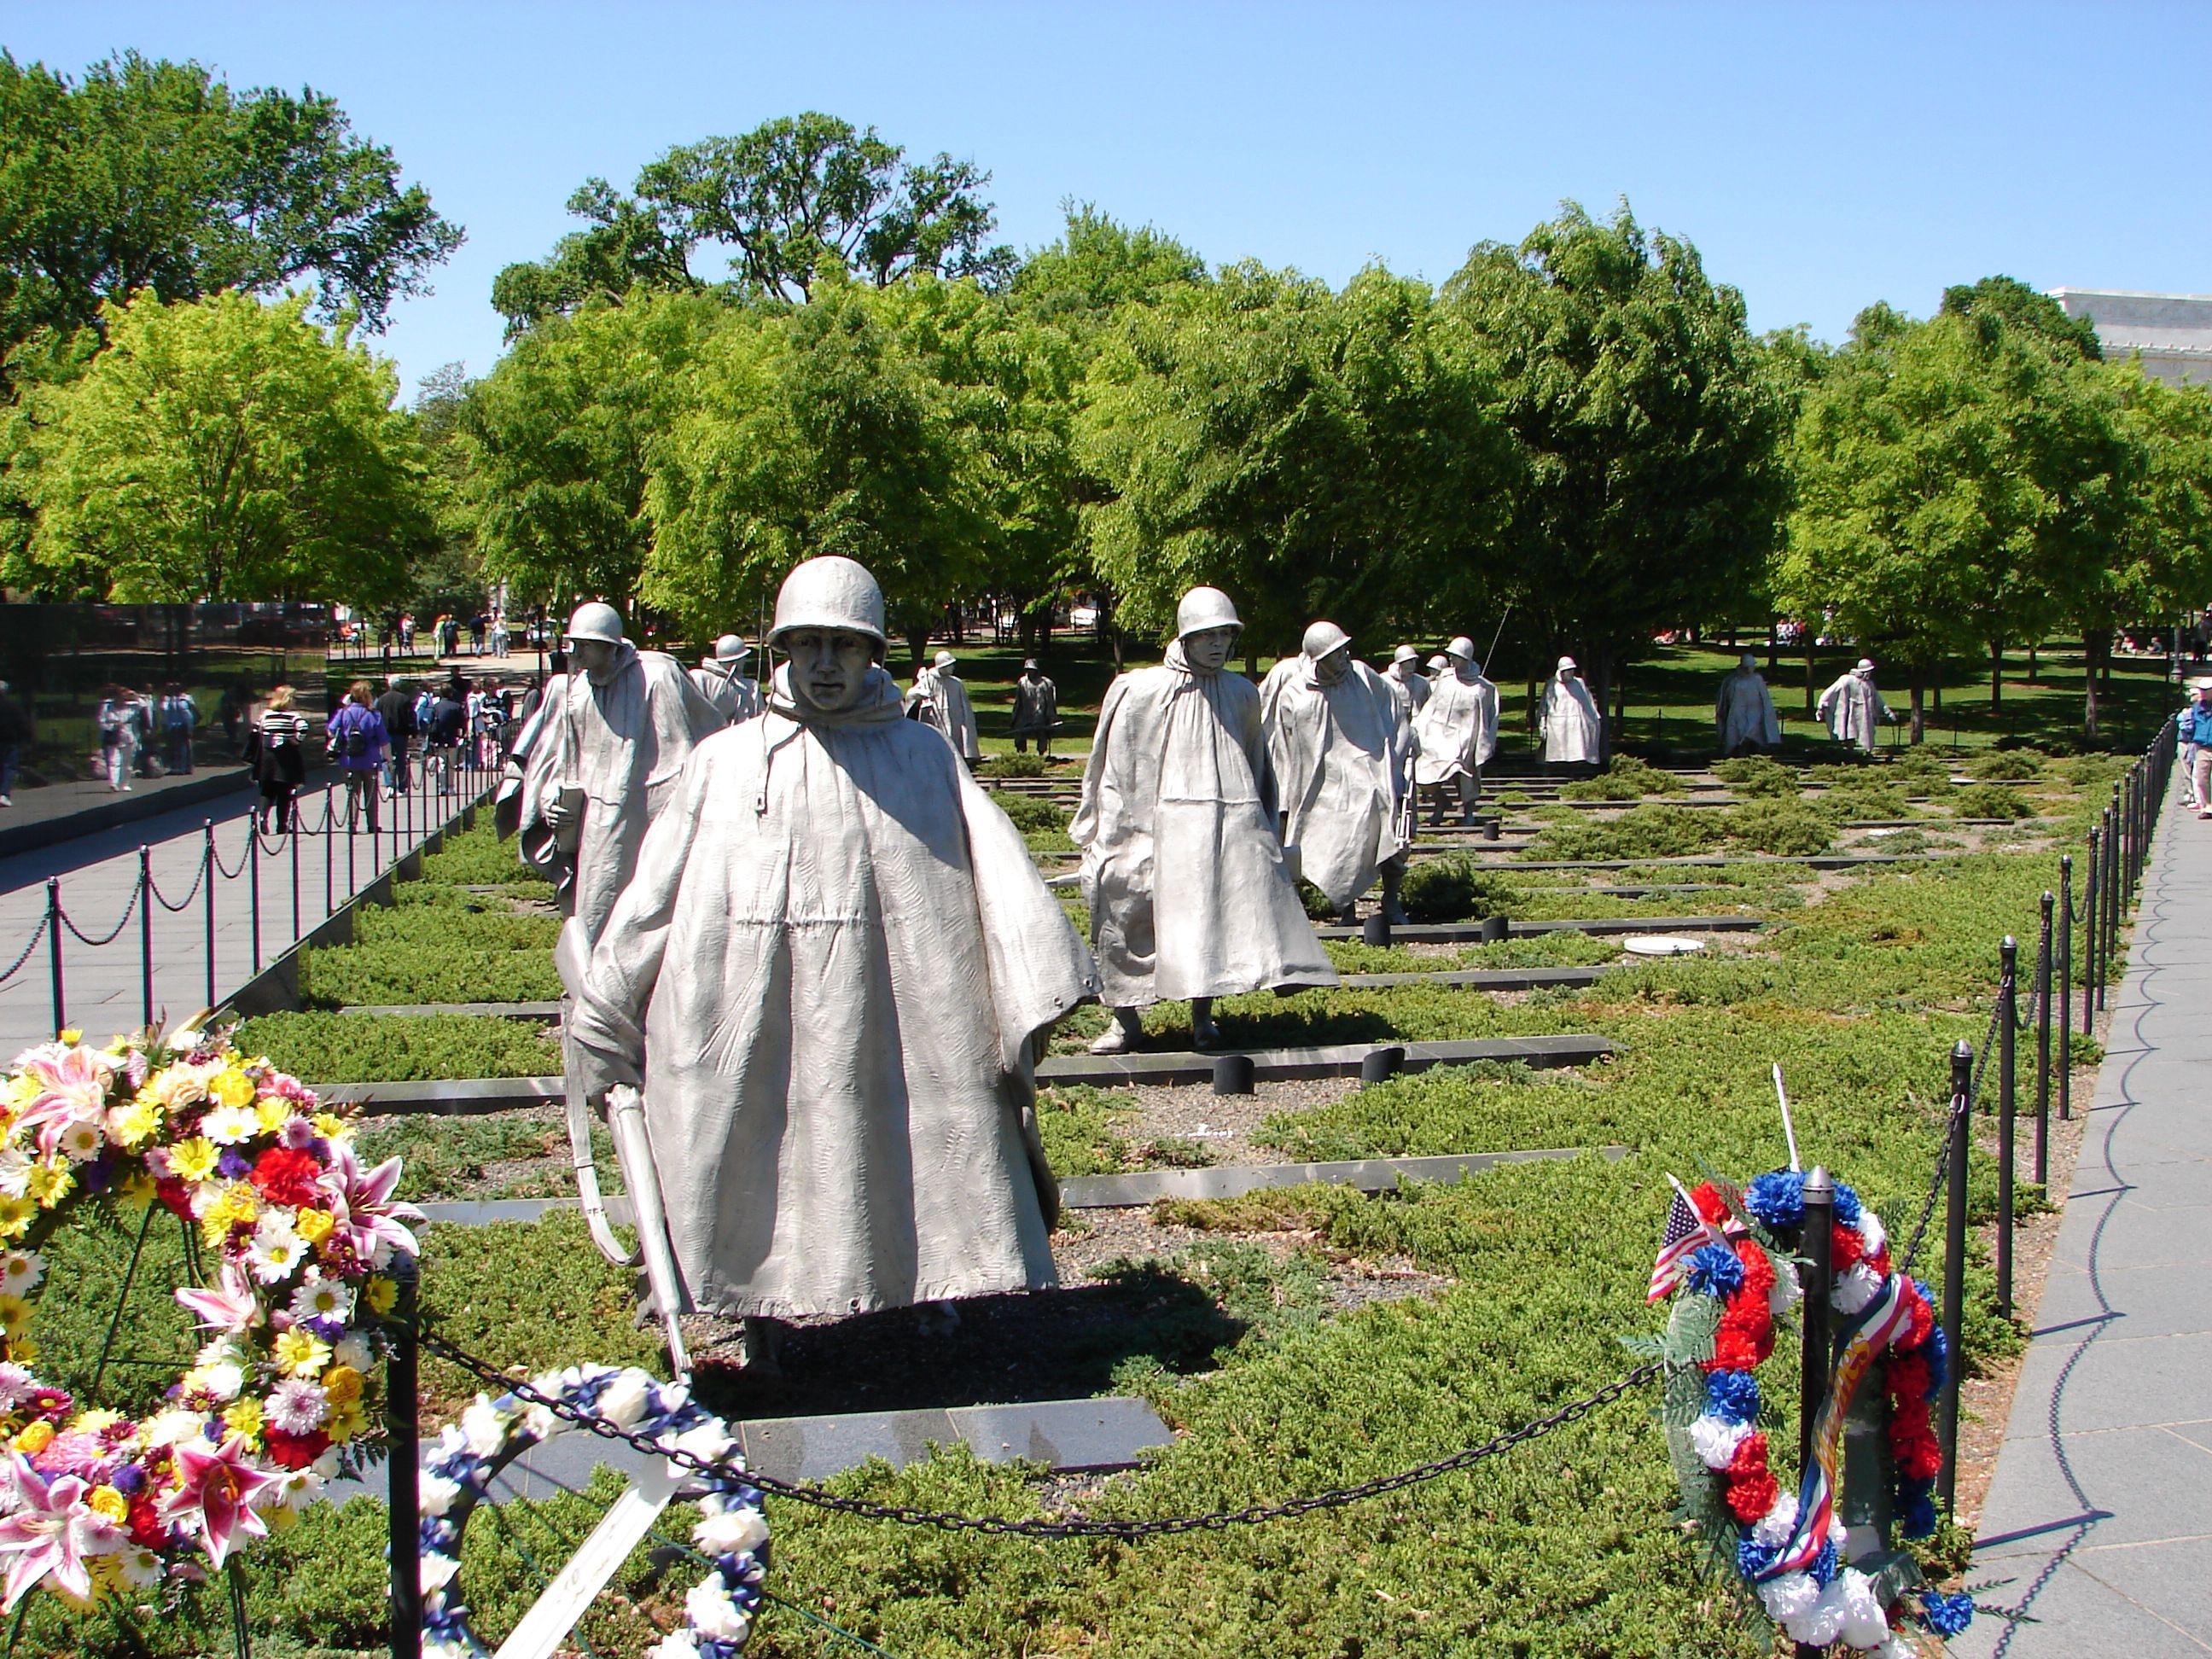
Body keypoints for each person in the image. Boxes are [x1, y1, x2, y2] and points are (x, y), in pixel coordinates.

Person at [568, 556, 1095, 1361]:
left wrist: (1030, 979)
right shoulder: (727, 761)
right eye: (806, 643)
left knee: (914, 1142)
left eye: (843, 647)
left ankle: (934, 1282)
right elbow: (656, 890)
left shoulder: (922, 757)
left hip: (906, 1005)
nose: (822, 665)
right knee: (755, 1150)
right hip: (756, 1002)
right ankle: (758, 1314)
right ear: (780, 648)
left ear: (873, 653)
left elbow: (1001, 881)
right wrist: (608, 999)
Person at [1074, 585, 1336, 1054]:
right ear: (1185, 637)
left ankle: (1203, 1018)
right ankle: (1124, 1020)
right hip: (1146, 824)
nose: (1217, 645)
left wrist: (1264, 829)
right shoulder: (1141, 689)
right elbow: (1116, 765)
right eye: (1206, 635)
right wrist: (1109, 829)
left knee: (1209, 917)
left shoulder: (1240, 694)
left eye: (1225, 635)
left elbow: (1259, 763)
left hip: (1218, 828)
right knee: (1127, 908)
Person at [516, 601, 721, 946]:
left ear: (609, 648)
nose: (575, 652)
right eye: (574, 644)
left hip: (650, 815)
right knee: (595, 907)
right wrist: (552, 797)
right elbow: (563, 757)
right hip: (596, 821)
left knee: (656, 910)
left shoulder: (657, 677)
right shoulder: (577, 691)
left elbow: (684, 755)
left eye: (585, 645)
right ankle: (594, 984)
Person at [1260, 620, 1411, 923]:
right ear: (1318, 659)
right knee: (1337, 845)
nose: (1344, 657)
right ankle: (1347, 907)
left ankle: (1391, 900)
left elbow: (1394, 712)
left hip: (1372, 774)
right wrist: (1286, 797)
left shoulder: (1364, 678)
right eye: (1336, 653)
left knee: (1389, 835)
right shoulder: (1295, 695)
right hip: (1325, 785)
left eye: (1344, 650)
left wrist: (1394, 760)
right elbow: (1286, 747)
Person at [1414, 637, 1500, 825]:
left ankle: (1468, 812)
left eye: (1456, 656)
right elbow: (1432, 706)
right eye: (1451, 655)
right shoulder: (1445, 679)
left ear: (1466, 658)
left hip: (1465, 739)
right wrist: (1419, 725)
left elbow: (1488, 719)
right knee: (1423, 774)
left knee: (1466, 776)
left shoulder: (1482, 688)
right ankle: (1441, 802)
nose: (1451, 659)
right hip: (1438, 737)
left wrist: (1486, 744)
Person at [325, 681, 389, 832]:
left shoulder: (344, 712)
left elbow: (330, 731)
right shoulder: (373, 715)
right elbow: (384, 740)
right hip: (370, 760)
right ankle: (372, 824)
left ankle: (352, 824)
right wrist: (388, 761)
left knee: (353, 792)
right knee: (371, 793)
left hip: (349, 759)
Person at [905, 649, 981, 764]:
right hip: (934, 718)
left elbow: (965, 708)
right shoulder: (928, 679)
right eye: (950, 665)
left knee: (953, 741)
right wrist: (921, 694)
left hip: (954, 718)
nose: (953, 668)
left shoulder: (956, 684)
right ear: (942, 666)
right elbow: (910, 695)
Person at [250, 686, 310, 831]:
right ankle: (281, 825)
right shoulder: (292, 716)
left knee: (267, 791)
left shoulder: (266, 714)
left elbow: (255, 730)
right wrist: (296, 740)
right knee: (284, 792)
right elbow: (303, 728)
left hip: (267, 757)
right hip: (285, 758)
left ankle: (263, 816)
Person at [1817, 658, 1895, 752]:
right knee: (1849, 733)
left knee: (1867, 735)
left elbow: (1878, 700)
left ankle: (1866, 753)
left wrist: (1888, 712)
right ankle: (1848, 751)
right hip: (1850, 714)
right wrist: (1822, 704)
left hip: (1865, 715)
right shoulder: (1847, 680)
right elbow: (1831, 691)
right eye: (1868, 671)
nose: (1870, 674)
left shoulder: (1870, 684)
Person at [1714, 652, 1782, 756]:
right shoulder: (1733, 681)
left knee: (1755, 737)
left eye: (1752, 667)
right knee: (1735, 737)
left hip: (1755, 714)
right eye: (1748, 667)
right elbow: (1724, 703)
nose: (1751, 669)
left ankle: (1757, 753)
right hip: (1736, 715)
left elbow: (1765, 700)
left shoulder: (1757, 680)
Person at [1542, 656, 1602, 768]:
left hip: (1576, 723)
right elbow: (1544, 706)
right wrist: (1543, 725)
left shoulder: (1579, 683)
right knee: (1559, 752)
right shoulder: (1552, 685)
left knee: (1577, 749)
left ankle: (1577, 768)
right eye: (1567, 670)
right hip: (1558, 724)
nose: (1570, 673)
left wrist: (1594, 717)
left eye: (1572, 670)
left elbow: (1588, 702)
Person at [689, 635, 761, 725]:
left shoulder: (696, 677)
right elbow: (760, 717)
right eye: (743, 658)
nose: (745, 661)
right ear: (734, 662)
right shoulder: (750, 686)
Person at [95, 684, 144, 792]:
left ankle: (124, 783)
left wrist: (134, 695)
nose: (122, 700)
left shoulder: (131, 706)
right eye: (120, 697)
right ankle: (113, 783)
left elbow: (143, 705)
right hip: (113, 737)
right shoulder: (107, 707)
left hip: (128, 737)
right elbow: (101, 722)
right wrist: (113, 726)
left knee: (127, 763)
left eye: (124, 697)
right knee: (113, 760)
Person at [375, 676, 417, 796]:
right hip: (401, 733)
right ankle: (402, 787)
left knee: (386, 759)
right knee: (400, 760)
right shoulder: (404, 699)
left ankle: (389, 785)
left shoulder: (381, 700)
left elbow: (377, 716)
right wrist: (413, 733)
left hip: (385, 733)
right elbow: (410, 717)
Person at [1010, 660, 1058, 754]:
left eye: (1031, 670)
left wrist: (1051, 717)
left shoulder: (1046, 684)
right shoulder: (1022, 682)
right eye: (1027, 670)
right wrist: (1014, 717)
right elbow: (1018, 701)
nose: (1029, 672)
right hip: (1024, 714)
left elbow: (1050, 702)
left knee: (1041, 733)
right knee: (1019, 732)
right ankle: (1021, 753)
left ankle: (1041, 753)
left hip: (1040, 715)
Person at [157, 684, 198, 776]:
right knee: (174, 746)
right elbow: (163, 709)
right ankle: (177, 766)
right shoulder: (169, 699)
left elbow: (191, 713)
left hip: (184, 725)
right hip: (173, 725)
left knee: (185, 747)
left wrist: (190, 726)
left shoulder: (186, 698)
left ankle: (186, 767)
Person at [2188, 679, 2212, 819]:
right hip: (2202, 746)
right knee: (2202, 778)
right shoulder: (2197, 707)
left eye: (2205, 690)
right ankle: (2207, 807)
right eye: (2201, 689)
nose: (2202, 692)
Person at [0, 681, 26, 806]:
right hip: (9, 739)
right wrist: (24, 738)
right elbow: (20, 723)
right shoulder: (11, 706)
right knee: (8, 767)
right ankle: (3, 794)